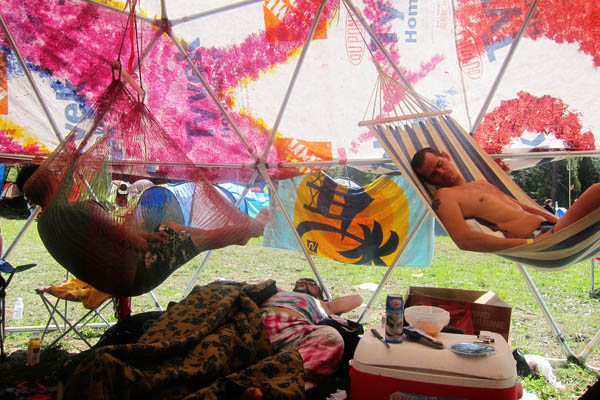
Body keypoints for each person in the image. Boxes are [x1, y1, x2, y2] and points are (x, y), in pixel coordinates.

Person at [16, 163, 269, 296]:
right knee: (183, 236)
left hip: (111, 280)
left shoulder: (45, 226)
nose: (59, 175)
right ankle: (248, 231)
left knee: (169, 227)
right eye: (53, 173)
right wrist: (152, 239)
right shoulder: (81, 210)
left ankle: (239, 232)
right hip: (134, 275)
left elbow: (112, 240)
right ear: (50, 180)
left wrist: (148, 234)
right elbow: (135, 245)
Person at [410, 148, 600, 252]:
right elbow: (464, 240)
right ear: (430, 182)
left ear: (446, 156)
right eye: (433, 174)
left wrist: (559, 224)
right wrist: (528, 245)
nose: (441, 173)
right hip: (537, 240)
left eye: (440, 165)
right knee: (597, 191)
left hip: (552, 230)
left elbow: (523, 207)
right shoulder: (445, 196)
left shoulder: (482, 184)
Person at [260, 278, 362, 391]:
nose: (303, 281)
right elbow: (260, 286)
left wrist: (326, 302)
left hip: (292, 328)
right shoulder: (279, 292)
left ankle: (273, 387)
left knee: (331, 337)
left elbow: (358, 299)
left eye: (311, 282)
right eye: (299, 281)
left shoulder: (320, 304)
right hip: (255, 322)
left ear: (318, 293)